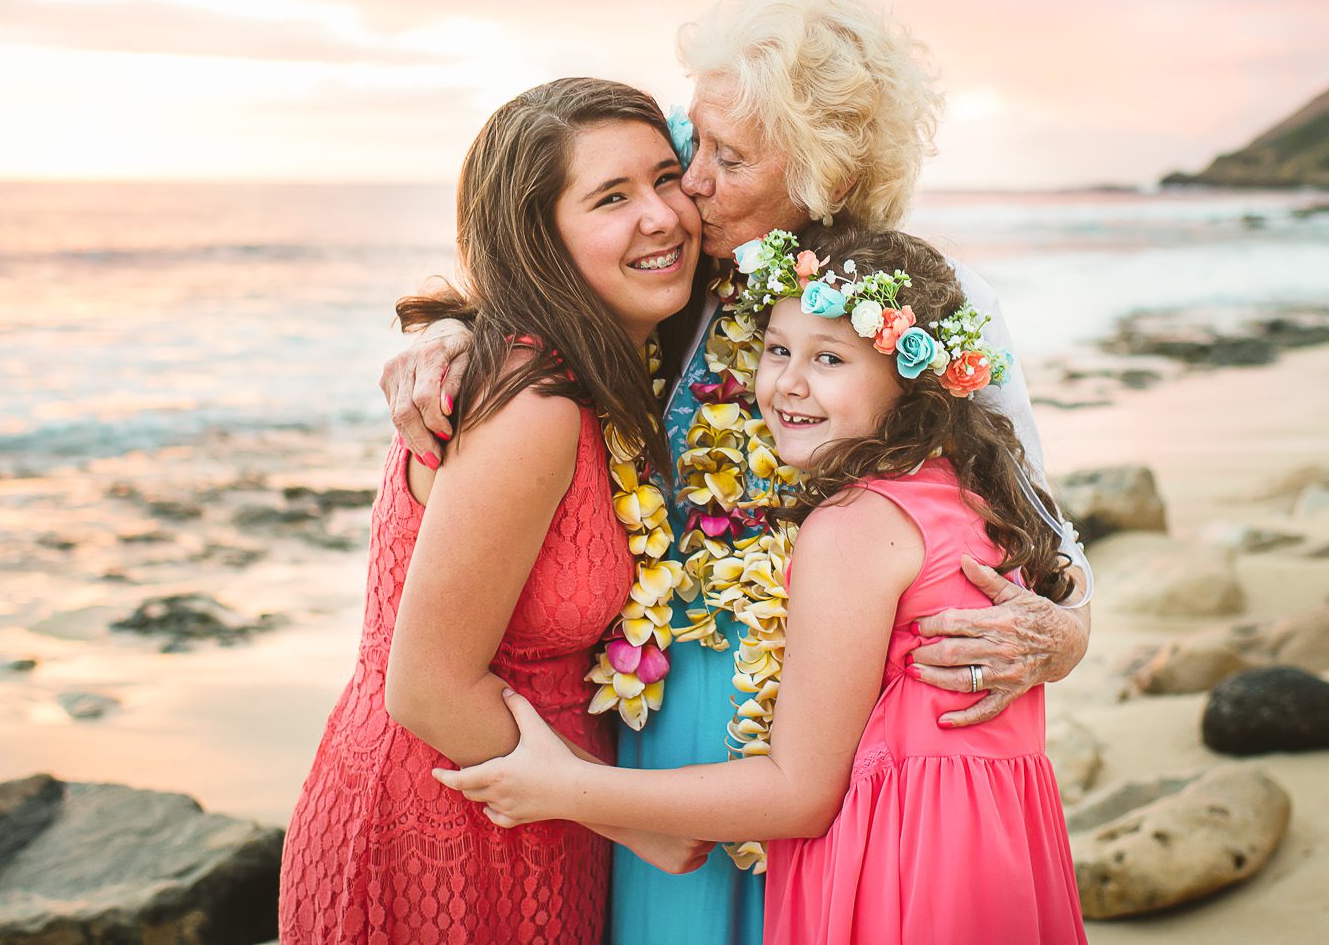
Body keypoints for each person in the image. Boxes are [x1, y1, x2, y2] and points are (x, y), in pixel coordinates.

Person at [379, 0, 1093, 944]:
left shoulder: (917, 308)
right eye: (691, 146)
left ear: (824, 174)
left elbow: (1035, 526)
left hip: (825, 736)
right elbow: (556, 269)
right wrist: (461, 334)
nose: (690, 186)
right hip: (659, 706)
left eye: (727, 157)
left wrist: (1067, 633)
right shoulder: (683, 275)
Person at [437, 226, 1090, 945]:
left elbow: (799, 793)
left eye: (830, 358)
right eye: (778, 349)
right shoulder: (974, 493)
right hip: (995, 857)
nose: (789, 383)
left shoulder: (855, 528)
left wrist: (562, 787)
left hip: (903, 873)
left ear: (911, 377)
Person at [279, 78, 714, 944]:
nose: (662, 216)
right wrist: (639, 821)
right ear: (538, 238)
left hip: (537, 805)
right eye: (611, 198)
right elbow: (427, 685)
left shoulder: (605, 374)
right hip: (441, 816)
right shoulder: (532, 402)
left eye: (667, 178)